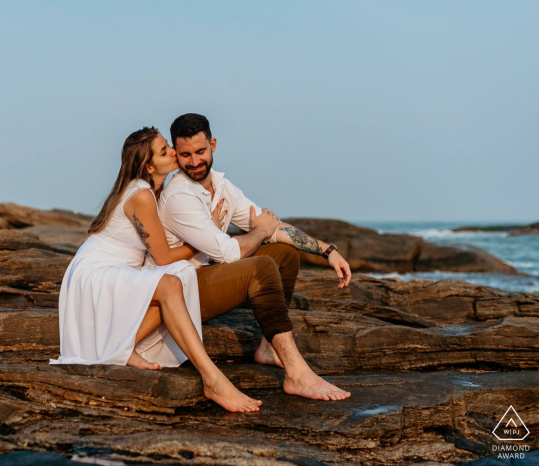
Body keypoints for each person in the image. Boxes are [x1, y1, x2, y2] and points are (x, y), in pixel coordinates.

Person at [135, 114, 353, 401]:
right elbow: (229, 252)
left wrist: (327, 249)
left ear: (212, 145)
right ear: (176, 154)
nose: (195, 161)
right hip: (179, 290)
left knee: (284, 254)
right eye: (185, 155)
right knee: (261, 266)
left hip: (202, 278)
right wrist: (262, 231)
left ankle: (268, 347)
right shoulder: (179, 197)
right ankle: (297, 373)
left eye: (201, 152)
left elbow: (269, 226)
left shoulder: (222, 188)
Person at [50, 127, 263, 413]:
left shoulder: (150, 191)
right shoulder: (141, 194)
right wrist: (208, 233)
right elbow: (163, 257)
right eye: (165, 151)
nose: (174, 152)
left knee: (176, 281)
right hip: (96, 272)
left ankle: (122, 350)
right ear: (149, 166)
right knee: (171, 282)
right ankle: (213, 378)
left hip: (106, 268)